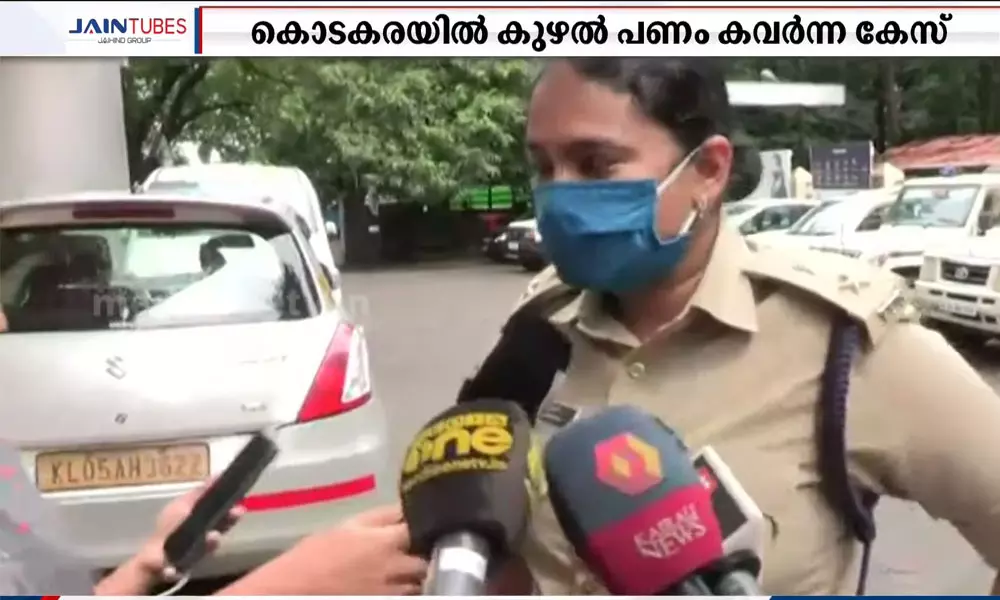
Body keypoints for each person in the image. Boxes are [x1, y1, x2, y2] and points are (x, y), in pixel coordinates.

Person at [473, 57, 1000, 595]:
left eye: (595, 164)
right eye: (543, 167)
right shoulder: (538, 331)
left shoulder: (846, 346)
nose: (558, 196)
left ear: (709, 170)